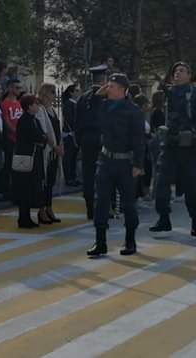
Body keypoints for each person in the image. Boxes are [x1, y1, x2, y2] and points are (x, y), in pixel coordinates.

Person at [86, 74, 144, 258]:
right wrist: (97, 95)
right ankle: (100, 242)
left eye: (112, 86)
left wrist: (138, 164)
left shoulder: (133, 110)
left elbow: (139, 139)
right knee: (101, 201)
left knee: (128, 203)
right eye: (108, 86)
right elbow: (89, 110)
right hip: (106, 160)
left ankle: (130, 240)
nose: (108, 89)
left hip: (125, 162)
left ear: (122, 90)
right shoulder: (103, 105)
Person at [152, 62, 196, 237]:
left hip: (189, 146)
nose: (177, 73)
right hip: (170, 145)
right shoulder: (167, 93)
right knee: (161, 183)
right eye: (175, 71)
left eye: (182, 70)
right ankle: (163, 218)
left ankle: (195, 221)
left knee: (192, 186)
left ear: (189, 75)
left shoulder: (195, 93)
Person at [75, 66, 108, 219]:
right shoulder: (106, 97)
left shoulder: (83, 98)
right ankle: (104, 207)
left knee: (88, 174)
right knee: (105, 173)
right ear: (103, 80)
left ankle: (89, 208)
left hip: (86, 139)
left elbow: (77, 122)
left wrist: (78, 142)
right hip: (102, 139)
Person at [13, 94, 47, 229]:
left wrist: (42, 138)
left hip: (35, 157)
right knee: (24, 188)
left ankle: (27, 217)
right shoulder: (24, 120)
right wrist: (41, 138)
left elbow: (42, 136)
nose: (37, 106)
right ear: (28, 107)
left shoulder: (35, 120)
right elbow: (35, 136)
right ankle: (23, 218)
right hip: (26, 158)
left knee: (32, 187)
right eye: (35, 104)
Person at [35, 84, 63, 225]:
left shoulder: (53, 110)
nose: (54, 95)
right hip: (46, 150)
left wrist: (60, 145)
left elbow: (57, 130)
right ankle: (41, 210)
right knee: (44, 181)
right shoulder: (40, 110)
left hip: (55, 150)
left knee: (50, 181)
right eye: (52, 92)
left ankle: (49, 207)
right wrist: (54, 146)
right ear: (45, 93)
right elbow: (44, 132)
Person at [0, 78, 25, 198]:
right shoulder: (4, 104)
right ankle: (6, 190)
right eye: (17, 88)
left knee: (19, 166)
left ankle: (17, 189)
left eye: (20, 88)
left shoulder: (19, 103)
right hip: (10, 140)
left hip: (20, 140)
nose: (19, 90)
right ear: (10, 88)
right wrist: (16, 132)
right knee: (9, 165)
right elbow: (6, 122)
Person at [61, 84, 82, 188]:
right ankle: (68, 178)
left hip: (75, 134)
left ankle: (73, 177)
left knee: (74, 157)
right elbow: (70, 120)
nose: (79, 92)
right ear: (71, 93)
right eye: (76, 90)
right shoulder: (68, 104)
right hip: (70, 134)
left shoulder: (75, 103)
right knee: (69, 157)